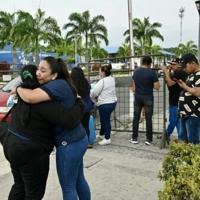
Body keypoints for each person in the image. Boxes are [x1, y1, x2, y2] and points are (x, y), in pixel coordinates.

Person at [2, 64, 84, 200]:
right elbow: (69, 120)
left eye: (43, 70)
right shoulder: (41, 101)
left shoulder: (22, 95)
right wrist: (79, 103)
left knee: (19, 185)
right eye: (39, 71)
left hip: (12, 145)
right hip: (31, 151)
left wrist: (18, 88)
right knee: (34, 193)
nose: (40, 73)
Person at [129, 55, 160, 145]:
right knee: (148, 118)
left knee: (136, 118)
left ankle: (134, 138)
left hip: (138, 97)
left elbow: (133, 87)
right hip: (148, 97)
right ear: (150, 63)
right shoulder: (152, 72)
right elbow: (157, 87)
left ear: (142, 62)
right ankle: (148, 139)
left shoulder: (136, 72)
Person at [90, 64, 117, 145]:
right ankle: (102, 134)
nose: (99, 72)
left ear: (103, 72)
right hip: (112, 102)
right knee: (104, 119)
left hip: (105, 103)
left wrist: (92, 97)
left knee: (105, 120)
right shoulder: (112, 79)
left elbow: (94, 92)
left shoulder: (102, 81)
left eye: (99, 71)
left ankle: (107, 138)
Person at [163, 58, 187, 143]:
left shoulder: (180, 73)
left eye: (173, 64)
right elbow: (169, 82)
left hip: (176, 102)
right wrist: (168, 72)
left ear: (178, 64)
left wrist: (166, 71)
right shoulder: (176, 73)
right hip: (175, 101)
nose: (171, 65)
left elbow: (169, 83)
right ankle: (180, 138)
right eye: (171, 63)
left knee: (173, 121)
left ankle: (166, 135)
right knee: (177, 122)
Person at [177, 53, 200, 144]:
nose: (184, 69)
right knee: (184, 141)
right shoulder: (191, 74)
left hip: (193, 114)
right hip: (185, 113)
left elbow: (198, 92)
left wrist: (185, 87)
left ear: (193, 63)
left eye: (185, 66)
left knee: (193, 142)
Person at [71, 67, 94, 147]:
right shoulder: (86, 82)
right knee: (86, 125)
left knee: (77, 126)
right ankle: (88, 142)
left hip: (79, 108)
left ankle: (79, 142)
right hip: (87, 106)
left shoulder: (72, 85)